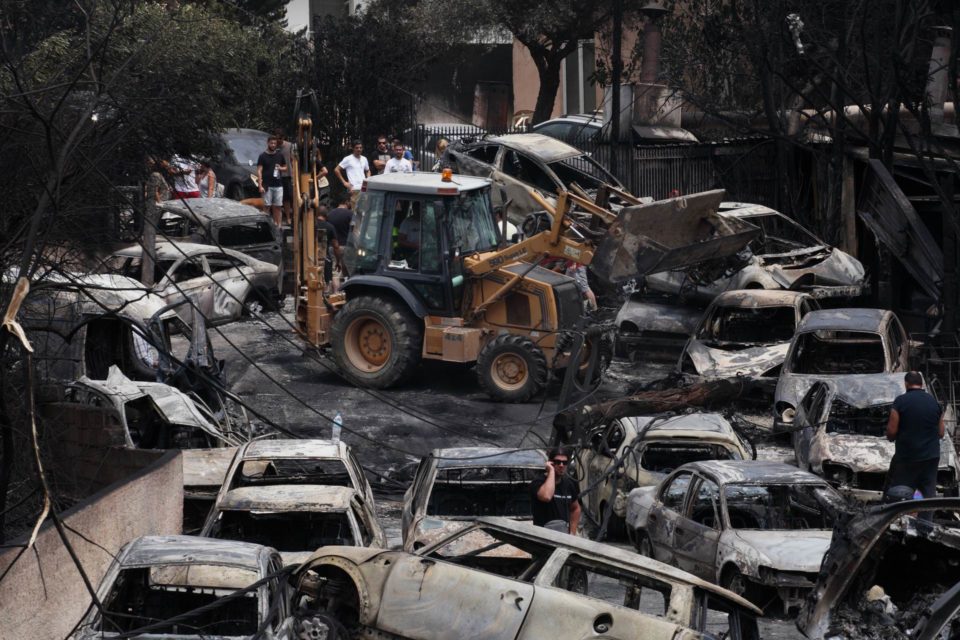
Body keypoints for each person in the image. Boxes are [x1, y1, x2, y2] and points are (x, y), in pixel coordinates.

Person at [887, 371, 944, 503]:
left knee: (900, 494)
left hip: (908, 457)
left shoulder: (900, 401)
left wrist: (891, 437)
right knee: (928, 495)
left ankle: (899, 515)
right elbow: (941, 432)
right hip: (931, 457)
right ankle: (926, 516)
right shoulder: (934, 402)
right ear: (921, 384)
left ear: (906, 384)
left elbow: (892, 431)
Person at [530, 447, 581, 535]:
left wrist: (572, 532)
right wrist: (551, 471)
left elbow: (575, 508)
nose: (561, 465)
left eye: (564, 463)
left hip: (563, 535)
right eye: (557, 462)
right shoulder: (538, 482)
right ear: (550, 463)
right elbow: (546, 496)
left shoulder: (569, 484)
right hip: (542, 536)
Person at [257, 136, 287, 226]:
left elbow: (285, 167)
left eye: (275, 143)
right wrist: (260, 185)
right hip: (267, 185)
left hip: (278, 184)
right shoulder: (262, 156)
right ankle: (266, 225)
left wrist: (280, 168)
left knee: (278, 206)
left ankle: (278, 226)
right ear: (268, 143)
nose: (273, 145)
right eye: (271, 143)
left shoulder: (280, 155)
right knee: (266, 206)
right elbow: (259, 170)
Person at [315, 205, 344, 293]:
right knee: (326, 286)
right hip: (325, 260)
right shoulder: (330, 227)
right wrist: (338, 261)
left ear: (316, 214)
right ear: (326, 216)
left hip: (310, 260)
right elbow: (336, 246)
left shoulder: (309, 225)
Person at [334, 140, 370, 206]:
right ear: (353, 148)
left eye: (360, 148)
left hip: (364, 188)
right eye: (357, 148)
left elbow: (367, 170)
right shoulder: (348, 159)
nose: (359, 149)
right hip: (354, 188)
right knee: (355, 209)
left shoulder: (364, 159)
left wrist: (367, 180)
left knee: (364, 209)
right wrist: (344, 183)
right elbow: (336, 170)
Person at [274, 129, 294, 225]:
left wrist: (294, 173)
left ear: (283, 138)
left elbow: (293, 160)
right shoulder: (274, 146)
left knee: (290, 196)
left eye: (279, 138)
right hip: (277, 175)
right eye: (276, 138)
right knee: (281, 197)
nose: (278, 140)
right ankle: (285, 218)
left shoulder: (289, 146)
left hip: (288, 174)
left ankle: (292, 217)